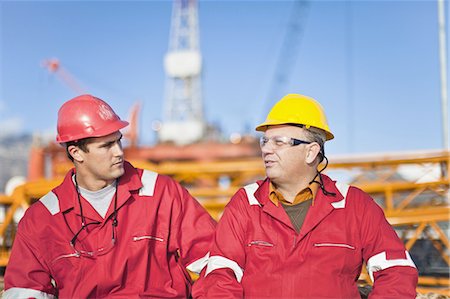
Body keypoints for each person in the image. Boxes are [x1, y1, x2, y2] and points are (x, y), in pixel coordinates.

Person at [193, 94, 418, 298]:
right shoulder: (246, 203)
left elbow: (396, 271)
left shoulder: (355, 205)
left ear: (311, 152)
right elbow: (219, 279)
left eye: (278, 142)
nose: (266, 149)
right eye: (265, 141)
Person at [4, 94, 216, 298]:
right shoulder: (42, 219)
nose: (118, 152)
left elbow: (215, 261)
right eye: (106, 145)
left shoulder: (162, 194)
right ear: (76, 152)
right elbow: (25, 291)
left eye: (118, 141)